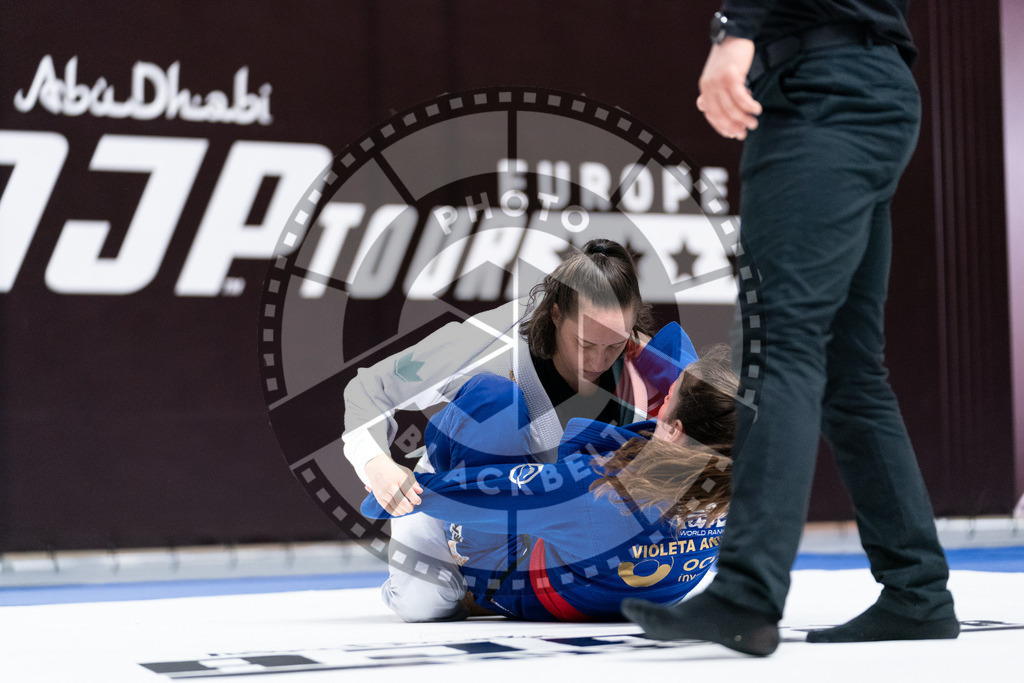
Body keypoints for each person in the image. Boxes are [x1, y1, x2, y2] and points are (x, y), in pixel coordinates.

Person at [621, 1, 959, 655]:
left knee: (780, 342)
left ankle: (747, 594)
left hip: (822, 86)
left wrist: (736, 27)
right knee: (848, 368)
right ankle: (917, 589)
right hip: (870, 81)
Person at [343, 238, 697, 621]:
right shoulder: (491, 340)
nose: (597, 360)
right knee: (425, 603)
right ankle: (473, 578)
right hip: (456, 492)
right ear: (557, 313)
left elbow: (718, 422)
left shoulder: (645, 364)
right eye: (584, 343)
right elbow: (370, 386)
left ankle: (492, 592)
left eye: (613, 344)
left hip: (548, 522)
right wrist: (376, 462)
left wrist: (663, 362)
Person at [361, 341, 738, 621]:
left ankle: (432, 478)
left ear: (674, 431)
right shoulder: (741, 480)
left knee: (494, 400)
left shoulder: (595, 491)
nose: (661, 403)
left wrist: (395, 488)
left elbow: (489, 494)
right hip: (620, 580)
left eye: (667, 401)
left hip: (507, 576)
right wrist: (636, 345)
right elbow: (697, 383)